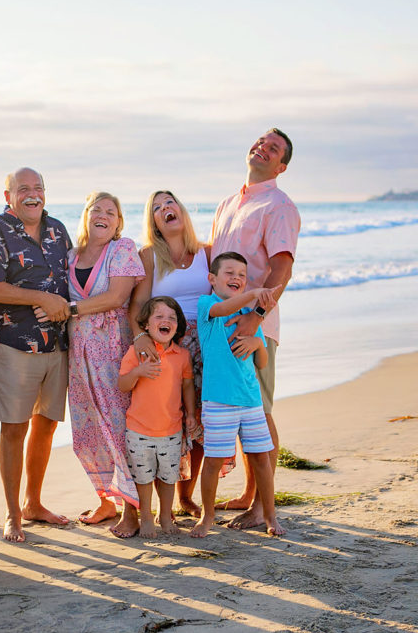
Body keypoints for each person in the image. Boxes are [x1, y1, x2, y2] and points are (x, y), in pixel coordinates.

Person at [208, 129, 301, 530]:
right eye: (261, 141)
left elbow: (282, 268)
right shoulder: (229, 202)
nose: (263, 147)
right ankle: (250, 494)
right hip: (222, 323)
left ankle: (264, 506)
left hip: (254, 325)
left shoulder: (279, 205)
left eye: (274, 148)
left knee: (258, 411)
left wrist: (257, 318)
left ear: (281, 166)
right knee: (239, 409)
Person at [0, 167, 73, 542]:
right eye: (23, 189)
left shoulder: (58, 230)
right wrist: (40, 298)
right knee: (14, 429)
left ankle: (34, 502)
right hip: (14, 344)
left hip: (58, 345)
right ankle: (13, 513)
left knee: (46, 425)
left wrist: (64, 305)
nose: (33, 195)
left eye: (38, 188)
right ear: (9, 195)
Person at [127, 190, 217, 526]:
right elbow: (136, 306)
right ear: (154, 221)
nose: (166, 209)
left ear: (181, 210)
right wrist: (139, 338)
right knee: (168, 418)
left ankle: (187, 495)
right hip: (168, 343)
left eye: (170, 203)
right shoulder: (149, 255)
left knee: (200, 418)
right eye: (157, 207)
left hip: (206, 342)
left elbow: (226, 290)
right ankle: (158, 500)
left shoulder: (207, 252)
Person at [63, 191, 144, 533]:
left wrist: (70, 309)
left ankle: (132, 511)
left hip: (112, 351)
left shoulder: (122, 249)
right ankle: (106, 501)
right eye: (96, 209)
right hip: (78, 355)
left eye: (111, 211)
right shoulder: (69, 255)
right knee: (87, 431)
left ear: (118, 223)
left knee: (117, 426)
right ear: (85, 216)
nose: (103, 215)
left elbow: (117, 296)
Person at [191, 252, 285, 537]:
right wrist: (255, 294)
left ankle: (269, 514)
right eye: (229, 273)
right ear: (212, 279)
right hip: (219, 399)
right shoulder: (207, 306)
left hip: (251, 400)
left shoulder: (247, 318)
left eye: (242, 276)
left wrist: (258, 342)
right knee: (214, 459)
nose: (236, 278)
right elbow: (223, 309)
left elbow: (262, 363)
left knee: (260, 457)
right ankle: (207, 515)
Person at [117, 296, 196, 539]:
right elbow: (122, 385)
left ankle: (165, 515)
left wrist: (191, 414)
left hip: (171, 430)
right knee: (143, 477)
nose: (166, 321)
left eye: (172, 318)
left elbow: (187, 387)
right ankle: (147, 517)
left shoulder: (181, 355)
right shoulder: (136, 352)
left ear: (178, 325)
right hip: (138, 430)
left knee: (168, 477)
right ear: (146, 325)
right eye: (159, 316)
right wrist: (139, 371)